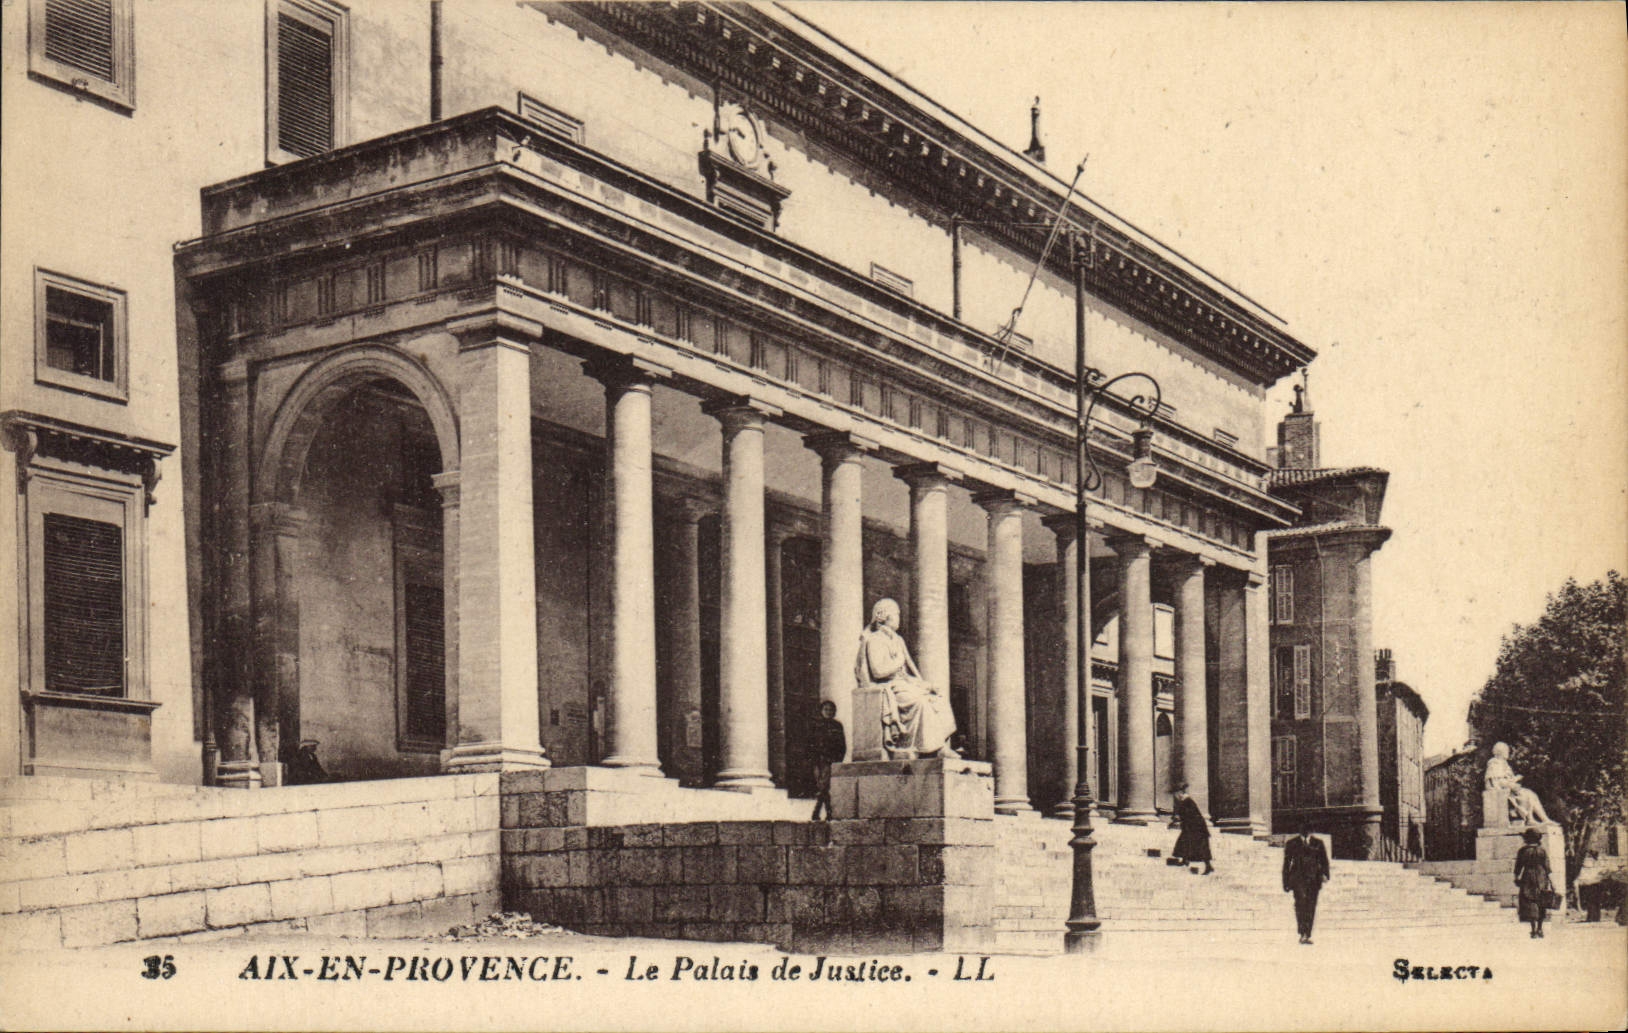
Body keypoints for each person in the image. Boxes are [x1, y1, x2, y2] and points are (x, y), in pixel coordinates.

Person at [854, 598, 957, 758]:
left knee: (938, 699)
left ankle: (938, 745)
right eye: (896, 614)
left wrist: (925, 685)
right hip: (890, 686)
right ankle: (923, 747)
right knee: (920, 702)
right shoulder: (875, 639)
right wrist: (898, 662)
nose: (898, 618)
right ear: (883, 616)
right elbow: (878, 671)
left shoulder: (898, 640)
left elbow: (907, 673)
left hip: (904, 684)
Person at [1282, 823, 1330, 945]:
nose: (1307, 831)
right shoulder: (1292, 843)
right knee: (1301, 904)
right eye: (1304, 829)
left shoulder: (1318, 843)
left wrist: (1325, 874)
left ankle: (1307, 933)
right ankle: (1302, 932)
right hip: (1298, 879)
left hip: (1314, 879)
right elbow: (1287, 864)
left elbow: (1324, 861)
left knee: (1311, 906)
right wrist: (1286, 881)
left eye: (1309, 829)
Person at [1484, 741, 1553, 825]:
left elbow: (1507, 778)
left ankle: (1543, 819)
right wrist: (1512, 784)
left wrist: (1515, 779)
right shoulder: (1495, 763)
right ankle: (1530, 819)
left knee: (1531, 794)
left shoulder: (1504, 764)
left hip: (1510, 790)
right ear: (1500, 751)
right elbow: (1497, 781)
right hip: (1504, 791)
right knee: (1525, 795)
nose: (1508, 752)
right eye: (1506, 750)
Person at [809, 700, 847, 822]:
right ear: (821, 711)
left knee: (823, 786)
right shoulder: (816, 725)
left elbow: (842, 745)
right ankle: (828, 813)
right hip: (817, 761)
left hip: (830, 760)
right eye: (826, 709)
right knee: (822, 787)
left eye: (831, 710)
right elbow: (810, 744)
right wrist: (812, 760)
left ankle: (817, 812)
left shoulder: (837, 726)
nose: (828, 712)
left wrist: (837, 760)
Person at [1514, 826, 1553, 938]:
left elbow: (1518, 867)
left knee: (1529, 903)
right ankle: (1540, 928)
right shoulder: (1542, 851)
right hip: (1541, 878)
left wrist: (1516, 878)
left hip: (1528, 878)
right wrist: (1552, 882)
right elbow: (1547, 868)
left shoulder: (1523, 851)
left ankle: (1533, 930)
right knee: (1542, 903)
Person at [1170, 785, 1213, 875]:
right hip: (1192, 828)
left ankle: (1208, 866)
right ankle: (1185, 860)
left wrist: (1179, 817)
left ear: (1180, 793)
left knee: (1201, 848)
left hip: (1197, 829)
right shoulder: (1186, 801)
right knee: (1184, 842)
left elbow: (1190, 815)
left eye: (1175, 794)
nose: (1175, 796)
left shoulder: (1187, 801)